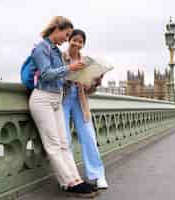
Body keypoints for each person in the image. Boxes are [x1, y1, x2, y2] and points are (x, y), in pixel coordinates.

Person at [29, 16, 98, 198]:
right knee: (53, 145)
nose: (66, 39)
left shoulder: (57, 52)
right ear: (56, 29)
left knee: (64, 144)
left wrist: (86, 76)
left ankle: (76, 180)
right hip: (42, 99)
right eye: (66, 35)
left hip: (56, 99)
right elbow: (45, 75)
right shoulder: (41, 48)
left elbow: (61, 77)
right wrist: (70, 68)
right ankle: (71, 183)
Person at [63, 29, 108, 189]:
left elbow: (89, 90)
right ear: (69, 40)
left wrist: (95, 81)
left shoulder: (86, 61)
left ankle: (98, 175)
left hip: (80, 101)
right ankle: (68, 178)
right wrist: (69, 73)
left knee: (88, 137)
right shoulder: (62, 57)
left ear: (83, 44)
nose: (77, 43)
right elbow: (54, 76)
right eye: (75, 40)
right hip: (62, 100)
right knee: (65, 140)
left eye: (80, 42)